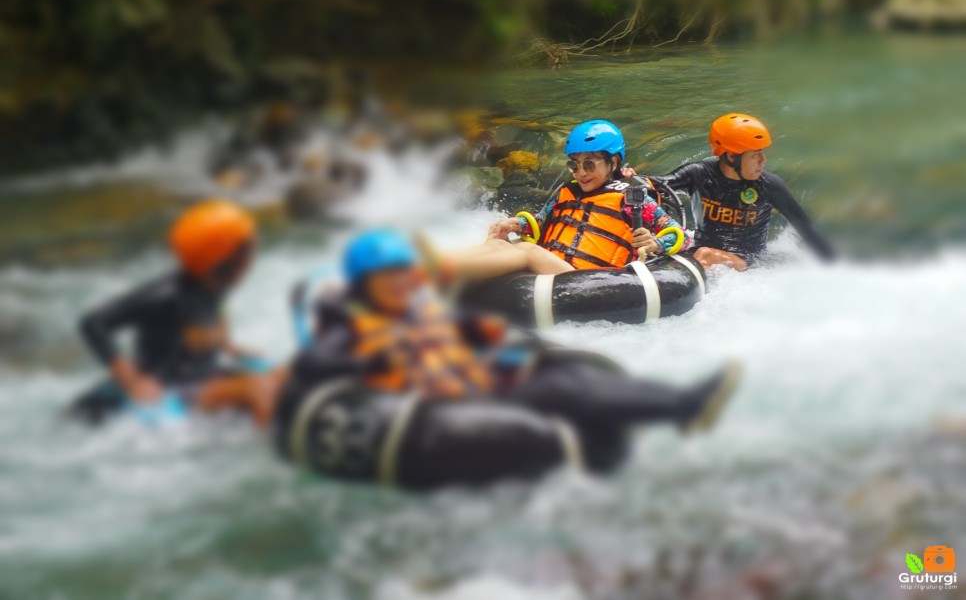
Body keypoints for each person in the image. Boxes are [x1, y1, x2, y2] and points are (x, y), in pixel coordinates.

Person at [274, 230, 739, 488]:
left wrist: (546, 354)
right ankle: (652, 425)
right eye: (390, 279)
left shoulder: (416, 310)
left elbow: (481, 333)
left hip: (465, 388)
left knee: (563, 381)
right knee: (546, 402)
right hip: (434, 412)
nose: (402, 285)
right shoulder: (350, 327)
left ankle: (681, 408)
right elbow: (326, 371)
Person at [76, 200, 286, 425]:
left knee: (284, 374)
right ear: (227, 261)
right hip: (172, 388)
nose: (252, 260)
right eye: (250, 250)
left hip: (203, 376)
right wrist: (132, 381)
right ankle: (279, 444)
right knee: (256, 389)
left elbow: (215, 309)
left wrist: (227, 345)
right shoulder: (165, 296)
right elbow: (93, 323)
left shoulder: (216, 284)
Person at [423, 120, 692, 282]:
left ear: (613, 162)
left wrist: (656, 243)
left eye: (589, 164)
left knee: (527, 252)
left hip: (589, 278)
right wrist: (516, 224)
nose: (581, 172)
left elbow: (683, 236)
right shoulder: (568, 191)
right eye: (574, 165)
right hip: (554, 265)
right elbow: (541, 222)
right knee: (497, 240)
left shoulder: (633, 198)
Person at [649, 113, 835, 271]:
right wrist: (631, 178)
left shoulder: (769, 185)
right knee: (692, 251)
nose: (763, 161)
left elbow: (807, 229)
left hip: (750, 261)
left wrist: (835, 269)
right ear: (731, 156)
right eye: (755, 155)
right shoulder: (699, 174)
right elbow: (657, 185)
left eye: (762, 153)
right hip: (703, 250)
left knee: (705, 254)